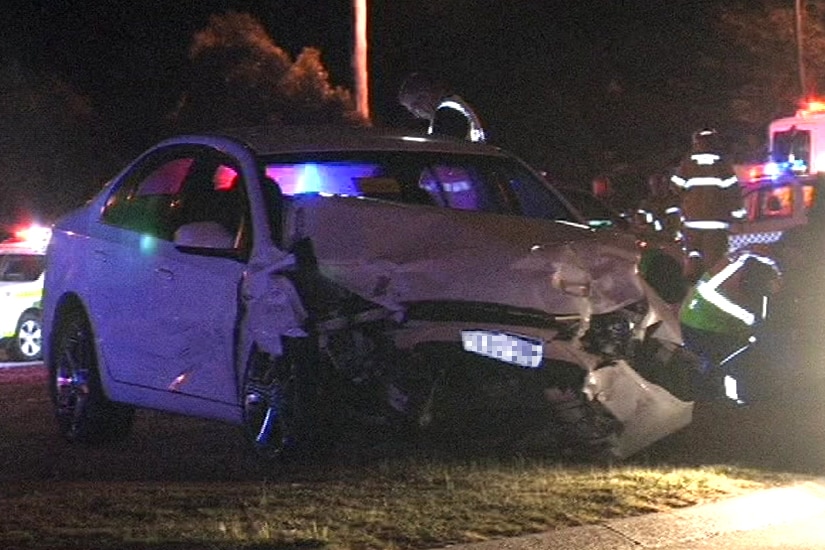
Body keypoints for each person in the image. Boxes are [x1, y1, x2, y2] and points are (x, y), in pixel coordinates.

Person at [671, 129, 745, 281]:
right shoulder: (722, 163)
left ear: (696, 142)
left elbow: (675, 187)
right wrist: (739, 217)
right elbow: (733, 192)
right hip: (716, 224)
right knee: (714, 264)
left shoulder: (688, 162)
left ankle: (691, 290)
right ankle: (710, 291)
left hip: (692, 223)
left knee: (693, 256)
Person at [398, 72, 487, 143]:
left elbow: (442, 149)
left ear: (426, 95)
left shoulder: (447, 113)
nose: (416, 113)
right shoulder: (453, 107)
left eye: (415, 105)